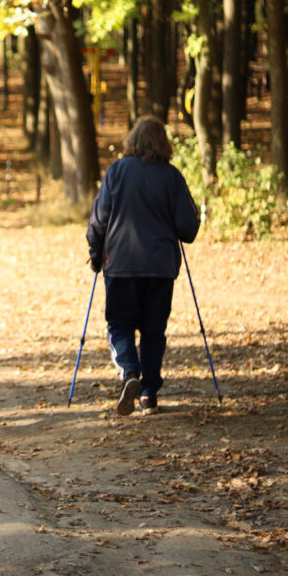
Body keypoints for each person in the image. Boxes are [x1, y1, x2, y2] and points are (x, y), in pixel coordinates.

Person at [86, 115, 200, 416]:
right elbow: (188, 227)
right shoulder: (172, 176)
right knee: (153, 331)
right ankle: (149, 394)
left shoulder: (117, 171)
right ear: (164, 143)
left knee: (119, 324)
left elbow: (100, 216)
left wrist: (95, 251)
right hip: (160, 267)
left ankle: (129, 372)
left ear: (132, 140)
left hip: (121, 263)